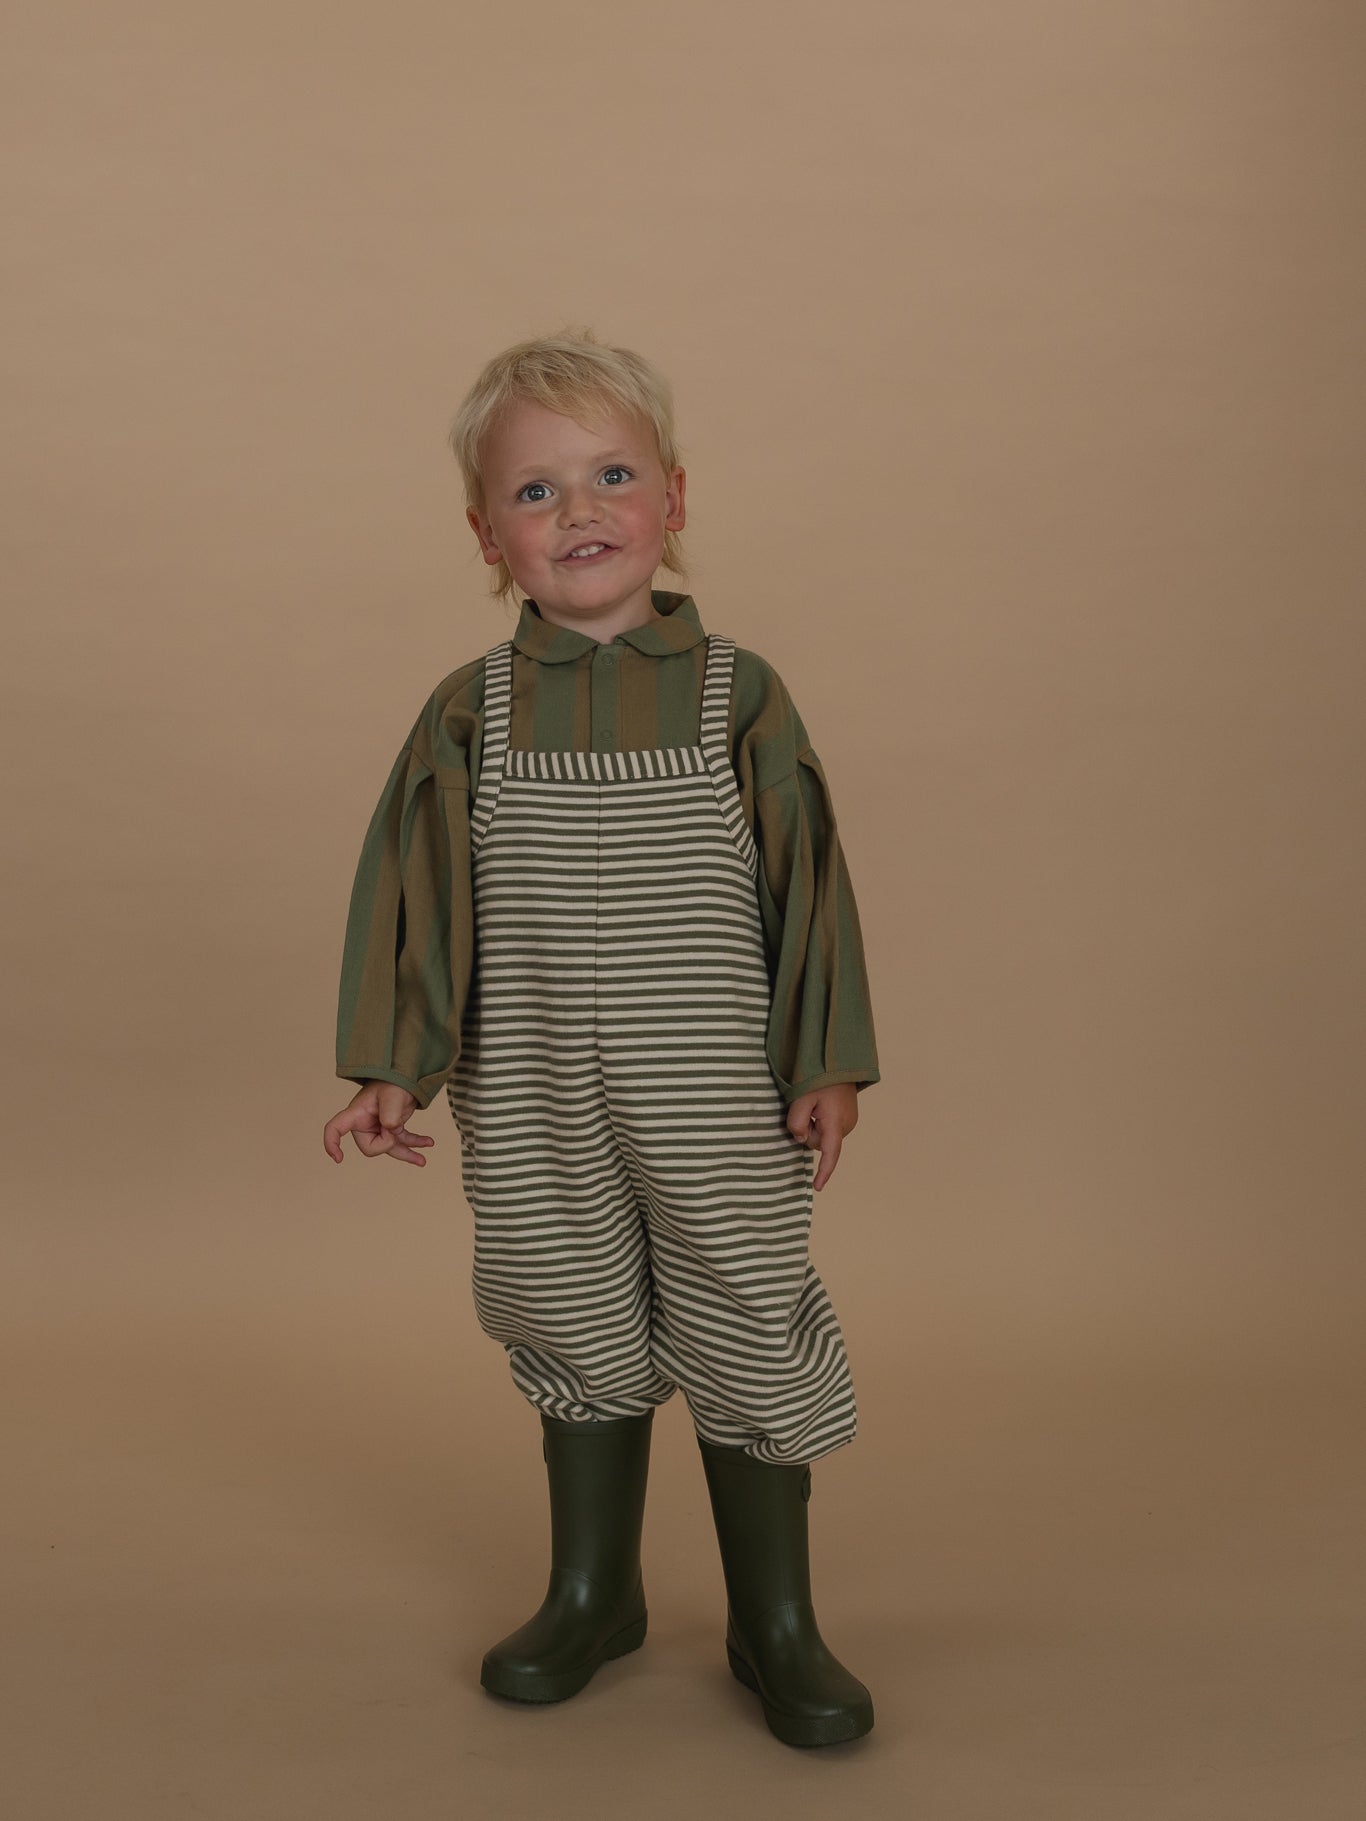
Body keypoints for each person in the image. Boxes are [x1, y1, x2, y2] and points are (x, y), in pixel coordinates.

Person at [322, 328, 882, 1748]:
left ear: (673, 501)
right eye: (535, 491)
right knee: (567, 1309)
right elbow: (418, 901)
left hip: (712, 1094)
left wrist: (821, 1057)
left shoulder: (735, 696)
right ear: (484, 533)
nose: (578, 512)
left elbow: (803, 880)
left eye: (611, 475)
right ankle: (593, 1588)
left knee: (746, 1316)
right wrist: (395, 1064)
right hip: (534, 1092)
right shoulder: (470, 712)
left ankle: (776, 1621)